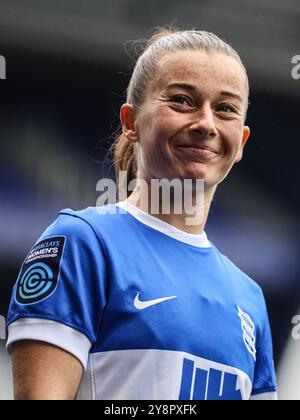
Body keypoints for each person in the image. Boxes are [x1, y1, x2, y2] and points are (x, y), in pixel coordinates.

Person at [6, 28, 277, 400]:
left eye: (225, 108)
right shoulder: (81, 244)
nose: (206, 124)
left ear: (242, 141)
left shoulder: (250, 298)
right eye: (182, 100)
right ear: (131, 122)